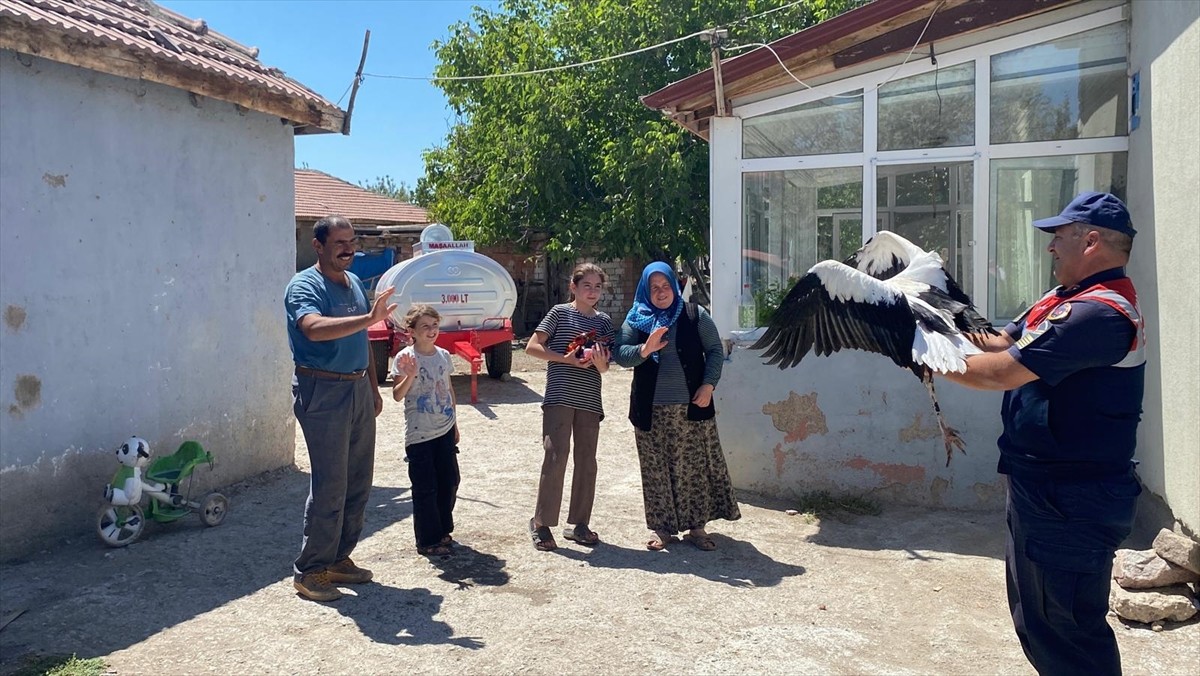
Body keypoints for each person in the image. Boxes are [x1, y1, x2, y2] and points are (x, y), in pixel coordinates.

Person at [940, 192, 1144, 675]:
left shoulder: (1098, 313)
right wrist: (932, 316)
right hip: (1045, 488)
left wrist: (917, 353)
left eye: (1059, 238)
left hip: (1072, 497)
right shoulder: (1063, 300)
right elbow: (998, 341)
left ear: (1091, 240)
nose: (1051, 249)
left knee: (1067, 628)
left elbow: (997, 372)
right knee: (1039, 621)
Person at [284, 215, 396, 602]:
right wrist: (369, 317)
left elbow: (362, 336)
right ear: (318, 246)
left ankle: (337, 559)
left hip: (357, 388)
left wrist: (373, 385)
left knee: (358, 481)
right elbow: (313, 328)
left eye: (352, 242)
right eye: (339, 243)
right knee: (330, 483)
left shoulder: (352, 284)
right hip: (322, 390)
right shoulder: (304, 285)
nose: (349, 249)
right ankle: (310, 570)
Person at [614, 262, 740, 551]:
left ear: (674, 285)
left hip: (691, 408)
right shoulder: (636, 319)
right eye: (654, 287)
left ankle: (697, 528)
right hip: (650, 409)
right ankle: (664, 530)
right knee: (655, 470)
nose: (660, 292)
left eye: (665, 286)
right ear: (646, 290)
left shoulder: (695, 314)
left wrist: (708, 386)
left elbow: (714, 352)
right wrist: (645, 349)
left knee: (693, 470)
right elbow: (620, 354)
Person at [525, 263, 615, 551]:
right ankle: (541, 523)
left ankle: (579, 524)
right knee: (555, 457)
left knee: (587, 462)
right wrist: (567, 359)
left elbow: (605, 367)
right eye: (586, 285)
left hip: (590, 399)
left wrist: (600, 364)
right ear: (573, 287)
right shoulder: (559, 313)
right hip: (560, 396)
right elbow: (532, 347)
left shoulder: (603, 322)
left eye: (597, 286)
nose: (592, 291)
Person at [391, 304, 460, 558]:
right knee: (425, 487)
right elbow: (398, 395)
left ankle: (442, 530)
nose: (431, 331)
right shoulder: (405, 358)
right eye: (425, 327)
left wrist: (455, 424)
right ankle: (427, 540)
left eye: (434, 325)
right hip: (419, 434)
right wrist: (409, 374)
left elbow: (449, 389)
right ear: (412, 331)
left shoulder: (443, 355)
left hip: (444, 429)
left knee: (450, 481)